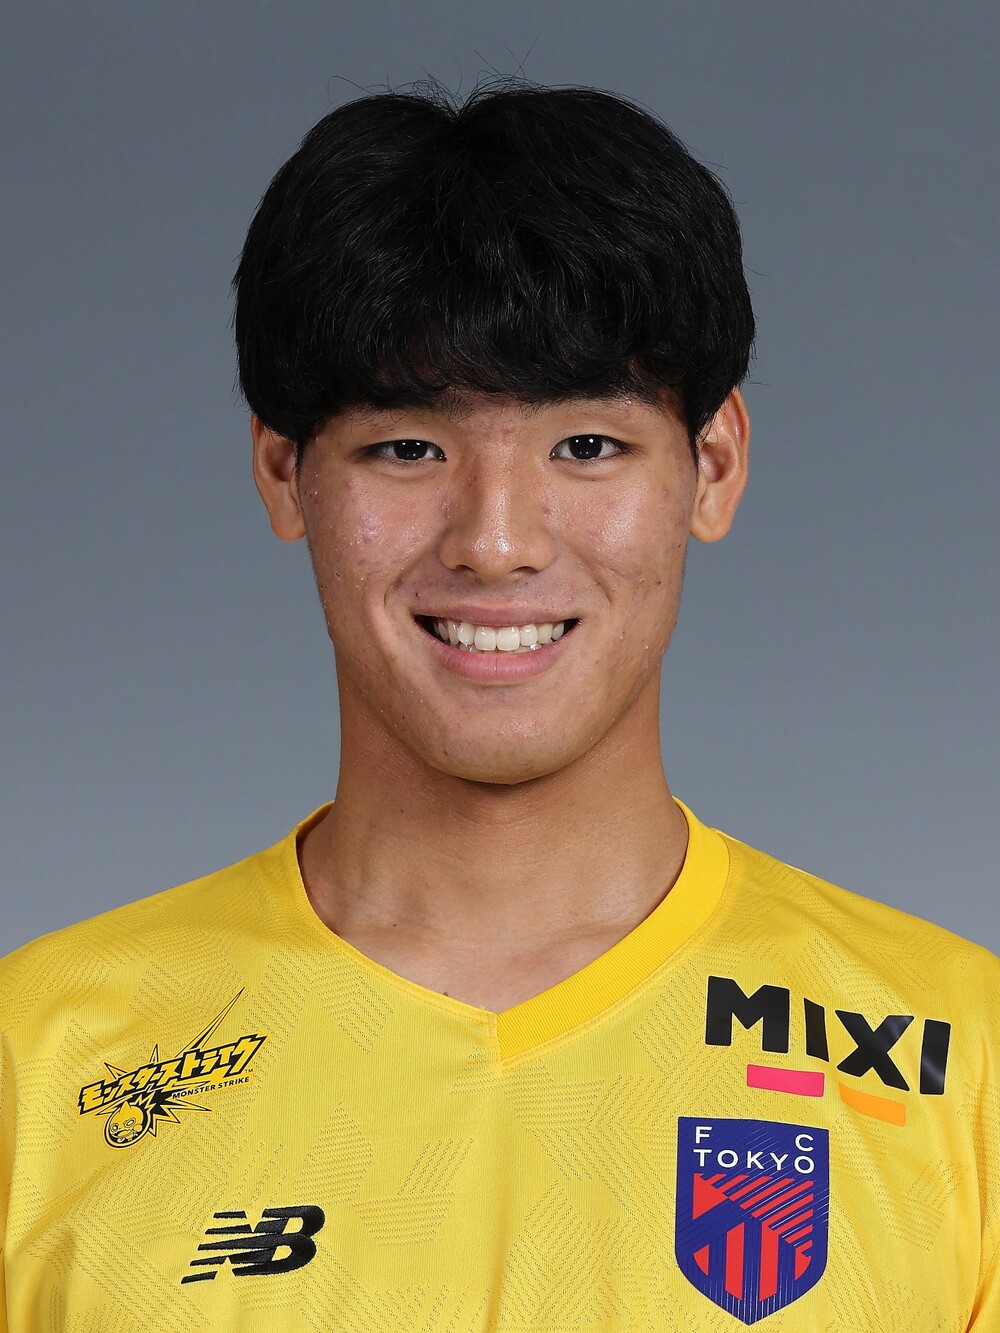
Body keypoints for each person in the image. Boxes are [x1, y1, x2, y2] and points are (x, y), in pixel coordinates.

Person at [0, 79, 996, 1332]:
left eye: (586, 446)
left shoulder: (960, 1055)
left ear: (714, 466)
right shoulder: (40, 1058)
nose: (496, 541)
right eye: (407, 448)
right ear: (283, 472)